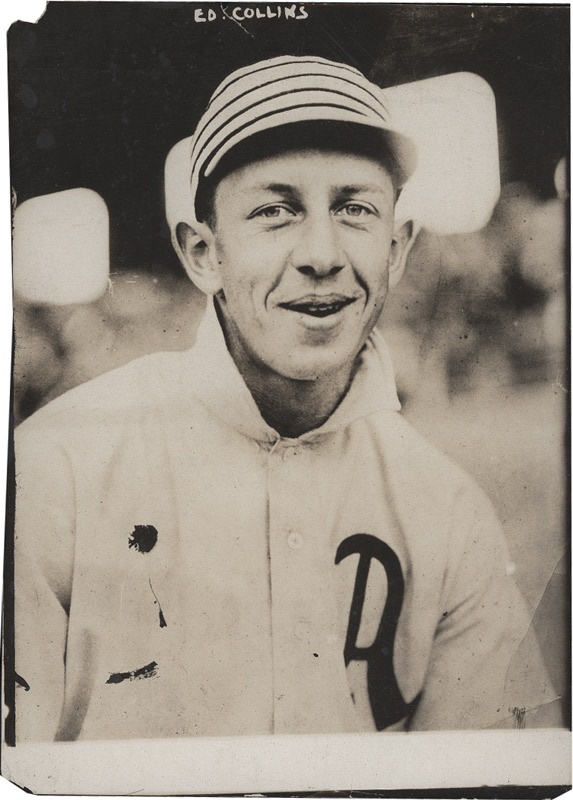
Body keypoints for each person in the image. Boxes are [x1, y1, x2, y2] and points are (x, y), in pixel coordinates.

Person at [12, 55, 559, 742]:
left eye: (354, 208)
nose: (321, 253)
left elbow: (484, 777)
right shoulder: (52, 473)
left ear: (396, 248)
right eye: (276, 211)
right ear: (202, 253)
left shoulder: (447, 515)